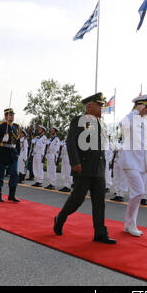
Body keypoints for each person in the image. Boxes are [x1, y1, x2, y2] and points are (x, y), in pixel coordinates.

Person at [53, 92, 116, 244]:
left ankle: (100, 233)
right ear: (89, 107)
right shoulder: (79, 121)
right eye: (99, 105)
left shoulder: (101, 123)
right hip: (83, 168)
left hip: (98, 169)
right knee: (77, 199)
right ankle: (60, 218)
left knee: (99, 202)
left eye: (102, 105)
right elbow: (71, 142)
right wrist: (75, 162)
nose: (101, 108)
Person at [119, 94, 147, 236]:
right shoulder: (130, 119)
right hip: (130, 161)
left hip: (142, 163)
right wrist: (135, 111)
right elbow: (121, 125)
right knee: (139, 192)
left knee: (138, 194)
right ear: (139, 105)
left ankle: (129, 224)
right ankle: (130, 222)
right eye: (146, 106)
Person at [0, 108, 21, 203]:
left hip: (12, 153)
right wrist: (1, 139)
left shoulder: (16, 127)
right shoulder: (0, 126)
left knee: (14, 174)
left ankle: (12, 195)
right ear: (5, 116)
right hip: (1, 152)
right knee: (0, 174)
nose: (11, 116)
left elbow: (18, 141)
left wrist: (18, 152)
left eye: (12, 114)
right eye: (9, 115)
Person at [110, 136, 128, 202]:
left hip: (123, 161)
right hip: (116, 160)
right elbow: (113, 151)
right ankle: (117, 193)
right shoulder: (117, 141)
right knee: (116, 178)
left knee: (123, 178)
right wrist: (112, 161)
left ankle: (121, 195)